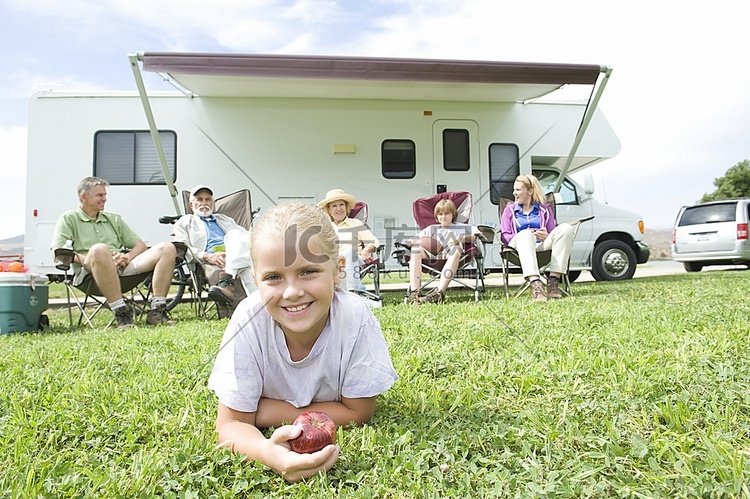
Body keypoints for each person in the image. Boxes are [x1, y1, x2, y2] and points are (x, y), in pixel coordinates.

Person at [208, 202, 398, 482]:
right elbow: (231, 423)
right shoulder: (249, 318)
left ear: (337, 270)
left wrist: (261, 411)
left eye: (308, 271)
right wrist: (266, 451)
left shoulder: (353, 315)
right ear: (255, 280)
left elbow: (359, 411)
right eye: (273, 277)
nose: (292, 292)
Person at [51, 176, 177, 328]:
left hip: (121, 270)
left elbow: (140, 245)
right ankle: (122, 313)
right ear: (84, 196)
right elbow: (57, 251)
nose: (104, 199)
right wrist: (96, 259)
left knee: (167, 248)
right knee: (100, 249)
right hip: (90, 275)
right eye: (100, 195)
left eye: (105, 195)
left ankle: (157, 311)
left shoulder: (113, 219)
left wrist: (127, 257)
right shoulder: (69, 218)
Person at [173, 185, 256, 314]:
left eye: (208, 199)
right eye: (199, 199)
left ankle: (227, 282)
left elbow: (247, 237)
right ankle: (257, 307)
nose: (204, 203)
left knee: (236, 235)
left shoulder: (225, 219)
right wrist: (207, 256)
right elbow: (184, 247)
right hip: (210, 260)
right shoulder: (185, 222)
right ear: (191, 204)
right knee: (246, 266)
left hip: (233, 254)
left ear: (213, 203)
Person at [499, 174, 574, 302]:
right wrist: (524, 234)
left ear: (530, 191)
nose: (514, 193)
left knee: (566, 228)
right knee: (525, 234)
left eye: (518, 190)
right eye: (514, 189)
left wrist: (547, 236)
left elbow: (552, 231)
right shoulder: (509, 210)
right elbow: (504, 236)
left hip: (542, 247)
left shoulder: (545, 209)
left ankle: (553, 281)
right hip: (518, 249)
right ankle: (536, 284)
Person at [405, 198, 479, 305]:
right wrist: (417, 242)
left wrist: (464, 239)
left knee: (456, 249)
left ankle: (439, 293)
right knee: (416, 249)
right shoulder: (430, 229)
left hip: (451, 256)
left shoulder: (461, 227)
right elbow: (410, 241)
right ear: (436, 216)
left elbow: (480, 232)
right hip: (432, 256)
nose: (443, 217)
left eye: (446, 214)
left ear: (453, 214)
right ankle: (414, 293)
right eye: (440, 214)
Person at [317, 188, 381, 308]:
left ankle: (356, 294)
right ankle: (346, 299)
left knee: (348, 253)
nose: (339, 208)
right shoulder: (325, 227)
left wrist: (367, 250)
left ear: (347, 208)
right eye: (334, 206)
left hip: (355, 260)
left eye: (341, 205)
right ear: (329, 210)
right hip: (331, 262)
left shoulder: (355, 223)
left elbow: (373, 241)